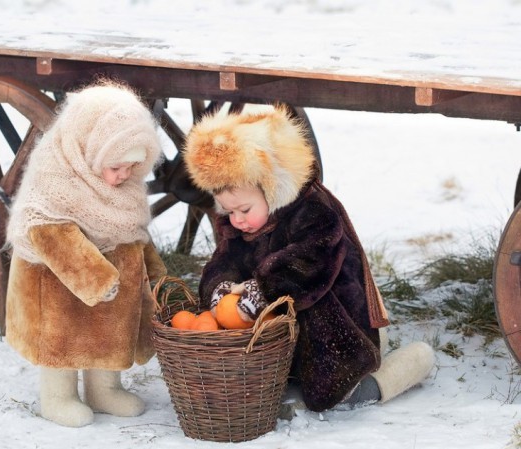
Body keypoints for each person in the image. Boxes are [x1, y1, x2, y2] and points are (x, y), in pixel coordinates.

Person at [183, 106, 435, 412]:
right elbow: (224, 261)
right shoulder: (241, 224)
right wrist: (220, 287)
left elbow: (309, 264)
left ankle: (399, 370)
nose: (236, 220)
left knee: (335, 391)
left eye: (244, 210)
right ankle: (292, 370)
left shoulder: (313, 212)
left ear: (272, 188)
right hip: (292, 322)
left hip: (342, 318)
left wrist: (262, 291)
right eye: (229, 211)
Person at [5, 79, 167, 427]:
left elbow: (134, 234)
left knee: (107, 336)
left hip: (110, 298)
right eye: (115, 167)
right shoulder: (54, 179)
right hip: (58, 287)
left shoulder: (126, 186)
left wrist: (156, 276)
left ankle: (103, 389)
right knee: (61, 339)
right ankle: (58, 396)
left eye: (131, 168)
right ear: (89, 150)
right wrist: (94, 277)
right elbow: (50, 233)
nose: (123, 176)